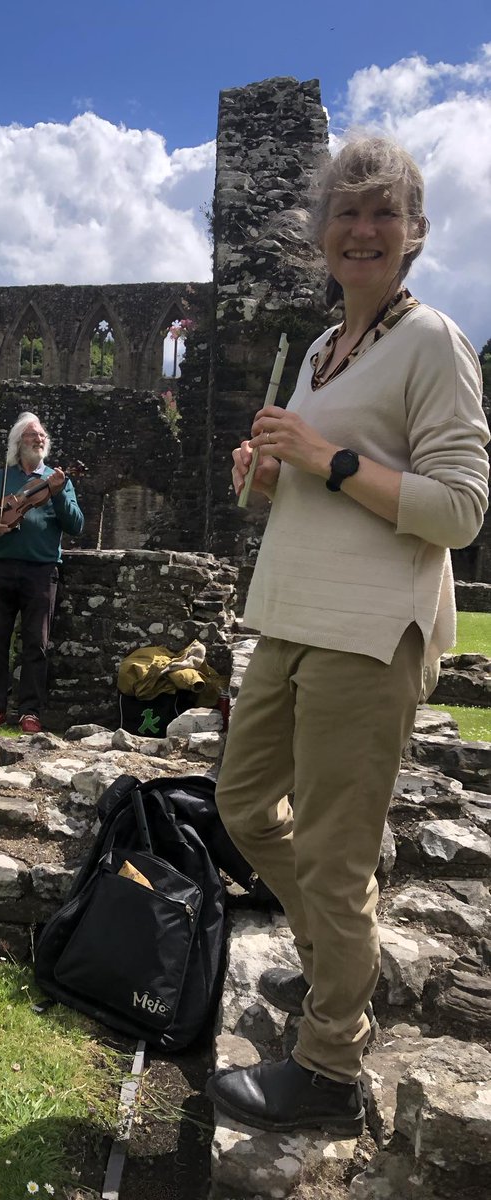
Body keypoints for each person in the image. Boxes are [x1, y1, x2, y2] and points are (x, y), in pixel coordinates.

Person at [206, 136, 489, 1135]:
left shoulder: (433, 343)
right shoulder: (323, 354)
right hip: (287, 618)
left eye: (385, 213)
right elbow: (305, 500)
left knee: (334, 853)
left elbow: (459, 510)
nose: (363, 230)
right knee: (242, 805)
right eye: (346, 213)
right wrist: (269, 479)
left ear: (415, 233)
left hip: (370, 634)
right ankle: (338, 957)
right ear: (321, 235)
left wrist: (325, 460)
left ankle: (328, 1064)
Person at [0, 412, 84, 733]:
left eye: (43, 435)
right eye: (33, 435)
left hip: (41, 570)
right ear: (19, 443)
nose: (40, 439)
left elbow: (76, 524)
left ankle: (30, 711)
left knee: (37, 642)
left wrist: (59, 493)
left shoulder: (59, 479)